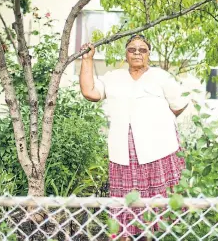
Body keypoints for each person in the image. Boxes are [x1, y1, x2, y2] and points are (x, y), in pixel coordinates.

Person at [79, 34, 189, 240]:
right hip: (124, 154)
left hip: (159, 152)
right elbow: (89, 92)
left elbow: (179, 105)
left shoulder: (161, 76)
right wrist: (87, 59)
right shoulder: (113, 77)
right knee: (125, 208)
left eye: (142, 49)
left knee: (160, 212)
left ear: (149, 54)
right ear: (126, 54)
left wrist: (158, 124)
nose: (137, 53)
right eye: (132, 49)